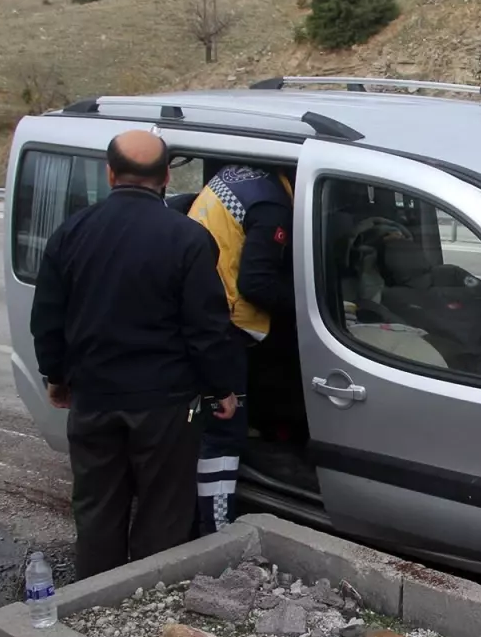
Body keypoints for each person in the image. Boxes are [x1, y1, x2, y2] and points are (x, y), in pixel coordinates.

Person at [29, 130, 240, 580]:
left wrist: (56, 377)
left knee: (97, 508)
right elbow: (206, 329)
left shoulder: (71, 232)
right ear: (167, 176)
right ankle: (146, 599)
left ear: (109, 174)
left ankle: (95, 602)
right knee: (163, 510)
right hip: (165, 404)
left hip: (94, 397)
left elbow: (48, 317)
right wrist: (221, 388)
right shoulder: (188, 239)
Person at [185, 162, 296, 535]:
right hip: (226, 323)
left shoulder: (242, 176)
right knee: (223, 434)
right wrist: (308, 308)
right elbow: (257, 281)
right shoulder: (272, 204)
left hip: (200, 307)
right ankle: (216, 533)